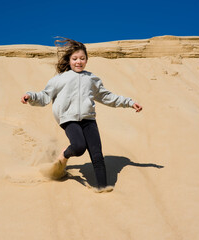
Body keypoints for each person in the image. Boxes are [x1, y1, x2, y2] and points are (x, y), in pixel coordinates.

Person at [21, 38, 142, 193]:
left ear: (87, 60)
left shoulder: (92, 79)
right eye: (75, 59)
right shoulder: (60, 79)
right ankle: (64, 156)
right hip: (68, 119)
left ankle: (103, 189)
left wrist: (130, 103)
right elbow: (44, 96)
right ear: (69, 60)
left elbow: (108, 97)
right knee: (78, 147)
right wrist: (31, 96)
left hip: (88, 119)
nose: (79, 62)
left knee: (97, 156)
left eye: (82, 58)